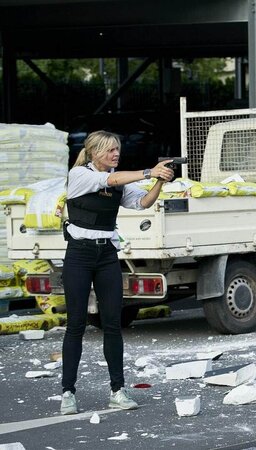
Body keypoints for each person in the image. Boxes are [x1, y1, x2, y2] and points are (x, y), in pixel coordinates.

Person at [60, 131, 175, 415]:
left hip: (107, 255)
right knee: (75, 324)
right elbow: (109, 180)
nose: (116, 154)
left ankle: (117, 390)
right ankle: (68, 392)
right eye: (110, 150)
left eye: (117, 150)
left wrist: (158, 181)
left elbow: (143, 202)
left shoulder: (119, 180)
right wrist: (149, 171)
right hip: (79, 255)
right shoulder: (79, 175)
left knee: (112, 324)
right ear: (95, 153)